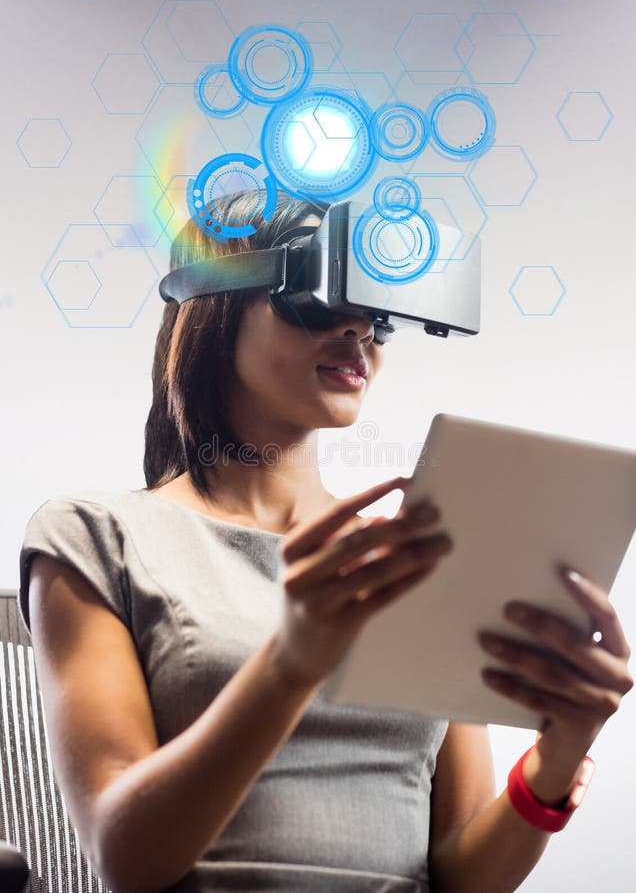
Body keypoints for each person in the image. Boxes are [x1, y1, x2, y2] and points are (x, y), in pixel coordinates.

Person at [19, 189, 633, 893]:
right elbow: (125, 857)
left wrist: (559, 759)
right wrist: (292, 660)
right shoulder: (96, 539)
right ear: (215, 308)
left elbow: (462, 876)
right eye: (317, 298)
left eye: (376, 315)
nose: (359, 335)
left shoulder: (411, 555)